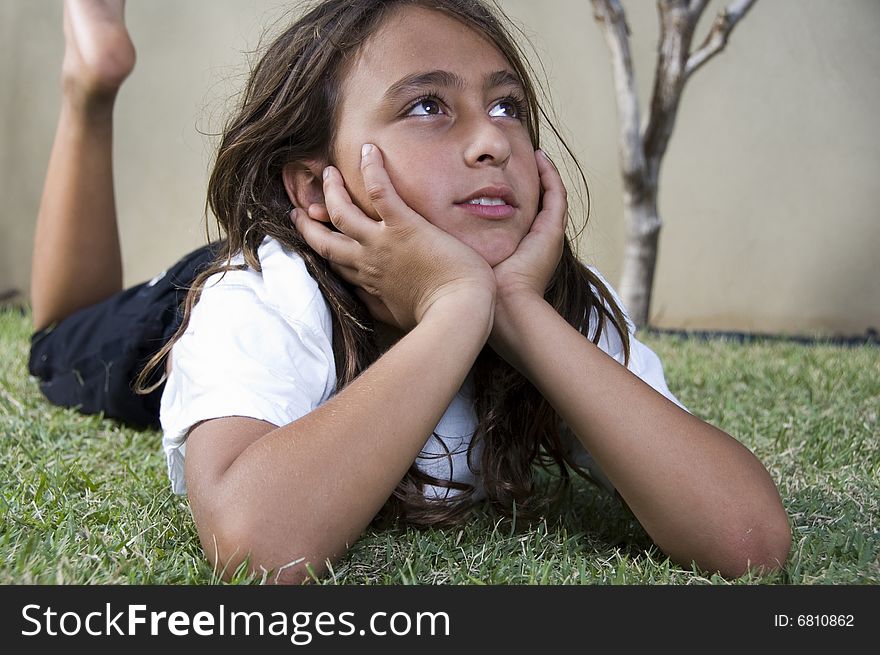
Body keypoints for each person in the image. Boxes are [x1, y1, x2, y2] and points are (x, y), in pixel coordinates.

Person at [29, 0, 791, 584]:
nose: (492, 139)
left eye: (507, 106)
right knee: (60, 340)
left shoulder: (558, 301)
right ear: (315, 182)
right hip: (192, 304)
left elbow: (750, 542)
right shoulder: (261, 297)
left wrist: (515, 310)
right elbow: (256, 548)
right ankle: (89, 86)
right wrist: (458, 307)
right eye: (427, 105)